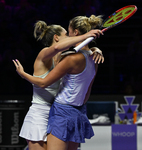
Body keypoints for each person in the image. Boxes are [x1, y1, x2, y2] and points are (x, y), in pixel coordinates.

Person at [13, 19, 103, 150]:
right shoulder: (44, 54)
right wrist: (85, 36)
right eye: (65, 35)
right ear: (56, 38)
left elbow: (83, 54)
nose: (68, 38)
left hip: (56, 113)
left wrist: (95, 49)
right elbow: (55, 49)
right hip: (39, 115)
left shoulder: (65, 57)